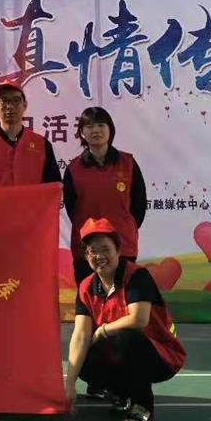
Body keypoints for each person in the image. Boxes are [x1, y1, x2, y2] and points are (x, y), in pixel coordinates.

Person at [65, 218, 185, 421]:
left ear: (118, 251)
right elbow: (81, 335)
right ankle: (123, 393)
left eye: (106, 249)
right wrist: (69, 384)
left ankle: (142, 405)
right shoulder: (86, 287)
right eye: (93, 251)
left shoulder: (136, 276)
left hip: (159, 356)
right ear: (86, 255)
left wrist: (102, 330)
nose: (99, 256)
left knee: (126, 336)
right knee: (85, 357)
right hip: (119, 353)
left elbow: (139, 319)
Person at [63, 107, 147, 302]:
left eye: (101, 125)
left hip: (123, 245)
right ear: (81, 132)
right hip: (87, 248)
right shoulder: (74, 168)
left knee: (123, 301)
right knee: (90, 301)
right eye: (89, 126)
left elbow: (139, 203)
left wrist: (126, 226)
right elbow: (71, 208)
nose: (96, 130)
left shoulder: (128, 163)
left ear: (110, 129)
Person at [0, 80, 60, 188]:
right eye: (4, 101)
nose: (9, 106)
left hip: (31, 200)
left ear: (25, 105)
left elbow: (54, 187)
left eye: (16, 100)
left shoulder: (42, 144)